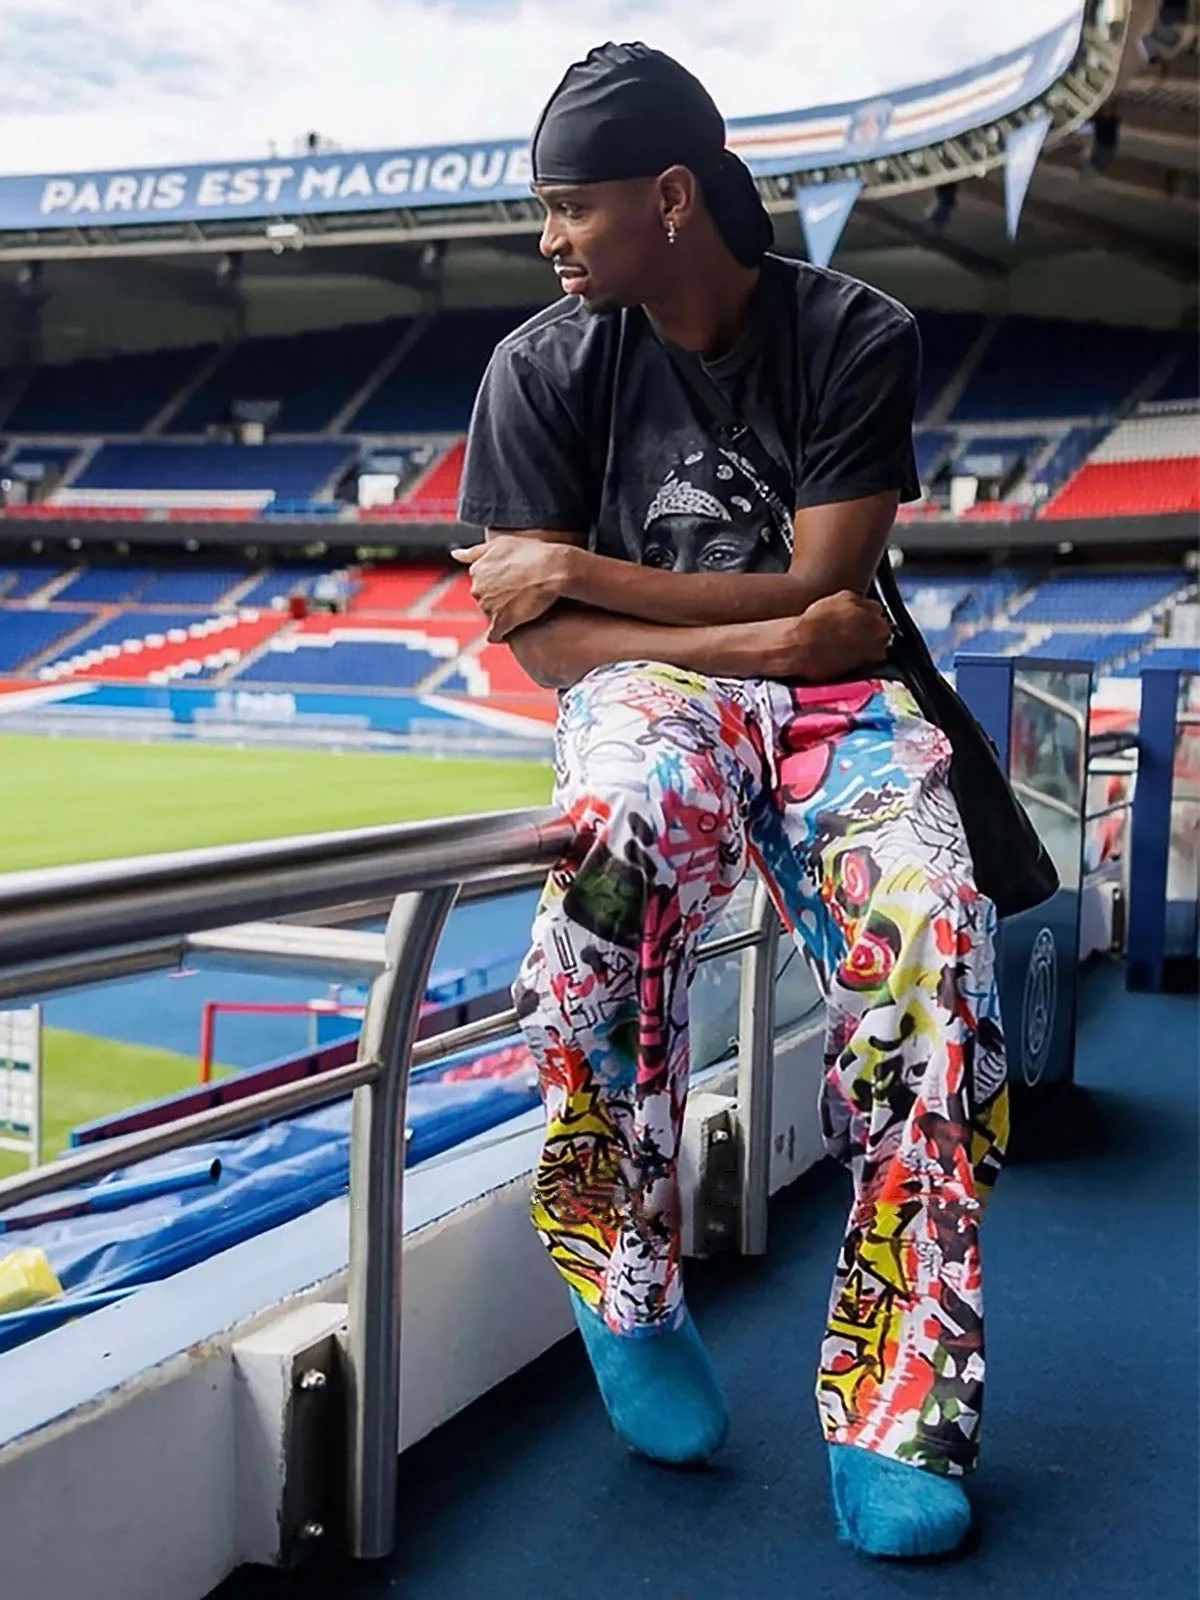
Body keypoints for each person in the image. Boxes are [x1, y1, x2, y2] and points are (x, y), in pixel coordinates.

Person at [452, 41, 1008, 1561]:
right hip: (674, 691)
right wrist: (758, 636)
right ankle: (619, 1274)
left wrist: (582, 566)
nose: (549, 239)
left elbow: (834, 582)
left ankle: (901, 1404)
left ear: (672, 195)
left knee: (934, 949)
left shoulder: (854, 333)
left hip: (835, 704)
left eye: (572, 205)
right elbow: (546, 643)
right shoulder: (538, 370)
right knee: (606, 881)